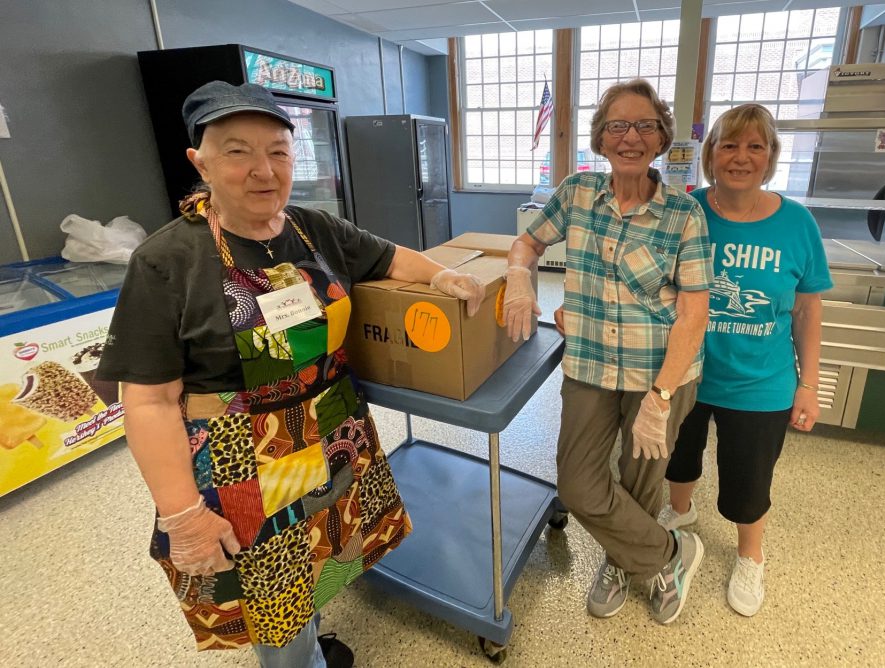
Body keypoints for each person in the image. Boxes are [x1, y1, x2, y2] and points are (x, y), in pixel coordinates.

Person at [96, 81, 485, 668]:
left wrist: (442, 277)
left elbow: (389, 256)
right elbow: (148, 402)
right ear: (198, 162)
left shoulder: (312, 227)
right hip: (243, 464)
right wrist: (182, 514)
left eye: (278, 151)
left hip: (331, 429)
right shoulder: (167, 261)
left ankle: (312, 635)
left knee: (321, 558)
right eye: (237, 151)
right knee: (272, 607)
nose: (263, 170)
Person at [503, 79, 712, 625]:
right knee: (577, 484)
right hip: (591, 366)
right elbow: (527, 241)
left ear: (662, 136)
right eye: (617, 125)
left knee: (642, 480)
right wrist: (520, 277)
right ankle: (670, 554)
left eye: (645, 125)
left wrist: (662, 396)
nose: (630, 136)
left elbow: (694, 312)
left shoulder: (684, 214)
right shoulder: (576, 193)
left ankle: (623, 563)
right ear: (600, 137)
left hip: (659, 372)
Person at [662, 103, 833, 618]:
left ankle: (750, 555)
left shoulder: (796, 223)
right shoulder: (687, 210)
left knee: (749, 477)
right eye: (729, 145)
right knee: (678, 454)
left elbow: (806, 308)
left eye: (755, 146)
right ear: (710, 154)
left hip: (763, 381)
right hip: (687, 371)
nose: (741, 157)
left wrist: (808, 384)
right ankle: (680, 512)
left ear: (770, 157)